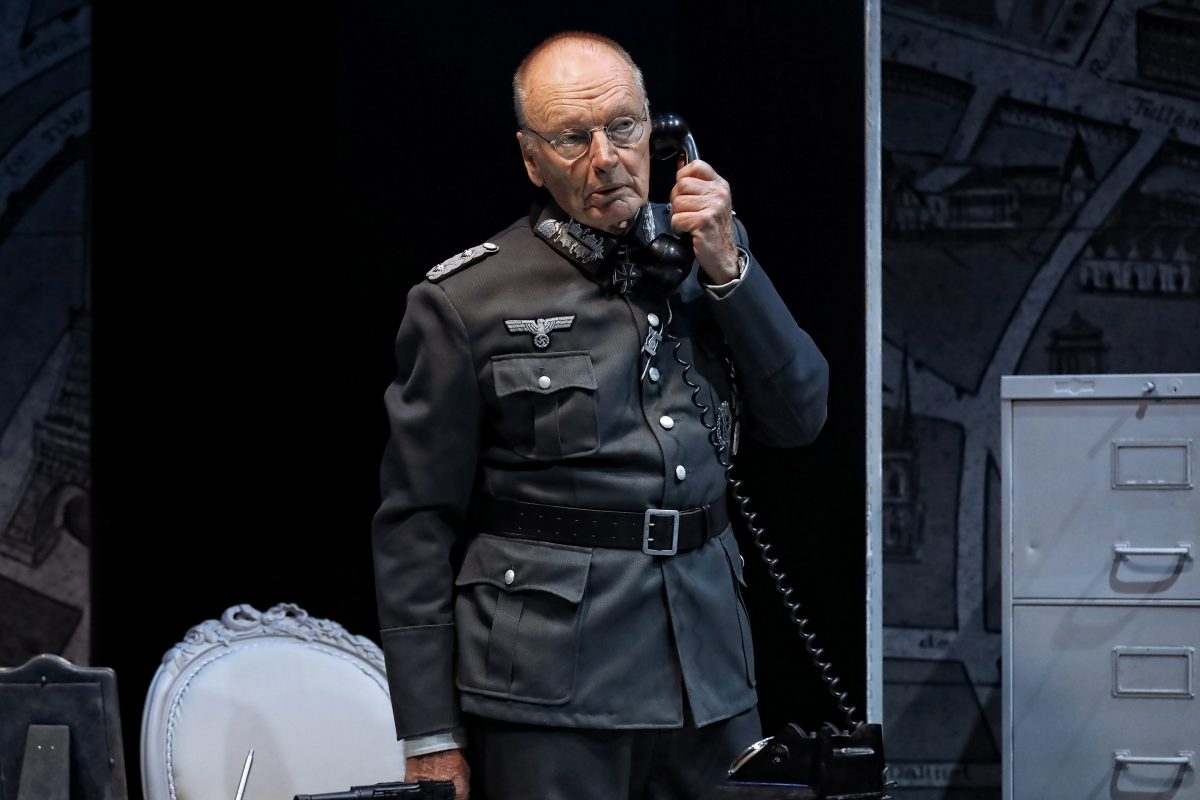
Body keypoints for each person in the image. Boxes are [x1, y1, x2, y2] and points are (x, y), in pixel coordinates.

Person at [371, 30, 829, 800]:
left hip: (709, 674)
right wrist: (429, 734)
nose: (607, 157)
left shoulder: (704, 253)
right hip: (551, 688)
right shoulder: (465, 301)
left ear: (658, 130)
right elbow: (414, 524)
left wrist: (729, 270)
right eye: (572, 138)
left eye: (624, 127)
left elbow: (802, 416)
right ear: (530, 157)